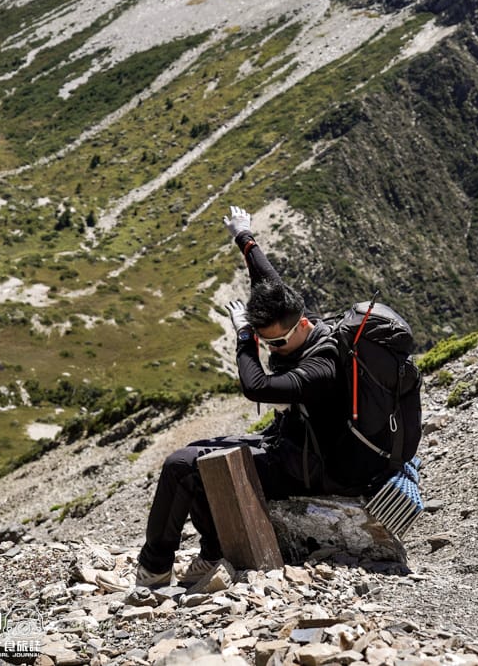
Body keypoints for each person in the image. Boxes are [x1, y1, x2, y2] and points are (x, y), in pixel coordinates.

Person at [136, 205, 389, 588]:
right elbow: (270, 285)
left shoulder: (321, 367)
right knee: (198, 453)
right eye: (266, 342)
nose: (275, 350)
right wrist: (244, 236)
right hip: (304, 445)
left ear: (301, 325)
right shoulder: (308, 324)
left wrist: (244, 338)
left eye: (278, 342)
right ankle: (212, 551)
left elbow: (256, 386)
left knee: (182, 465)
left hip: (317, 469)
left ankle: (155, 570)